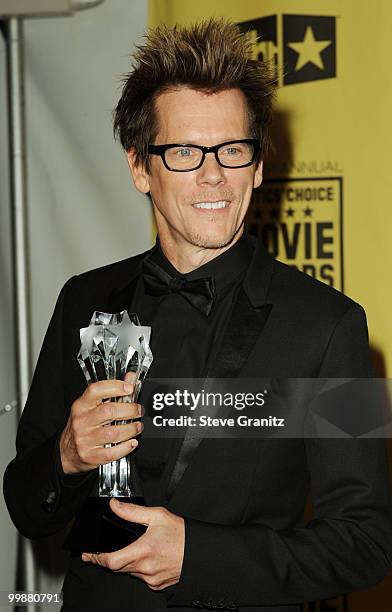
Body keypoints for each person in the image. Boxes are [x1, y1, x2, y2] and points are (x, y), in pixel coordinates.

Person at [3, 18, 392, 612]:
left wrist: (199, 557)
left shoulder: (331, 326)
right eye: (185, 151)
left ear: (258, 165)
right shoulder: (82, 300)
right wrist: (65, 456)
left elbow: (367, 542)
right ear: (140, 167)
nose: (214, 174)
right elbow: (26, 504)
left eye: (233, 149)